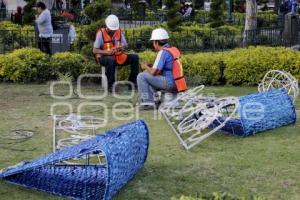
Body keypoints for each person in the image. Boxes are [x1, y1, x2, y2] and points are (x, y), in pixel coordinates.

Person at [137, 28, 188, 110]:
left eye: (153, 42)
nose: (153, 44)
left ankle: (147, 103)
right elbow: (165, 67)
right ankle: (155, 100)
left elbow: (154, 72)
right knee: (147, 74)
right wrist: (150, 66)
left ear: (156, 42)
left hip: (169, 83)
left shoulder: (162, 52)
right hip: (177, 83)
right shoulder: (172, 50)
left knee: (141, 76)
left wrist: (145, 66)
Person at [93, 14, 139, 91]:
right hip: (103, 58)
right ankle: (111, 85)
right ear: (107, 26)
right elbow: (95, 50)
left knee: (135, 57)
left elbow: (124, 45)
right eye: (112, 29)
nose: (113, 31)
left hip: (117, 56)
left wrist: (121, 47)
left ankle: (132, 83)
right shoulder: (100, 33)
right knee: (111, 60)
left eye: (114, 29)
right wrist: (107, 52)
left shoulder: (118, 31)